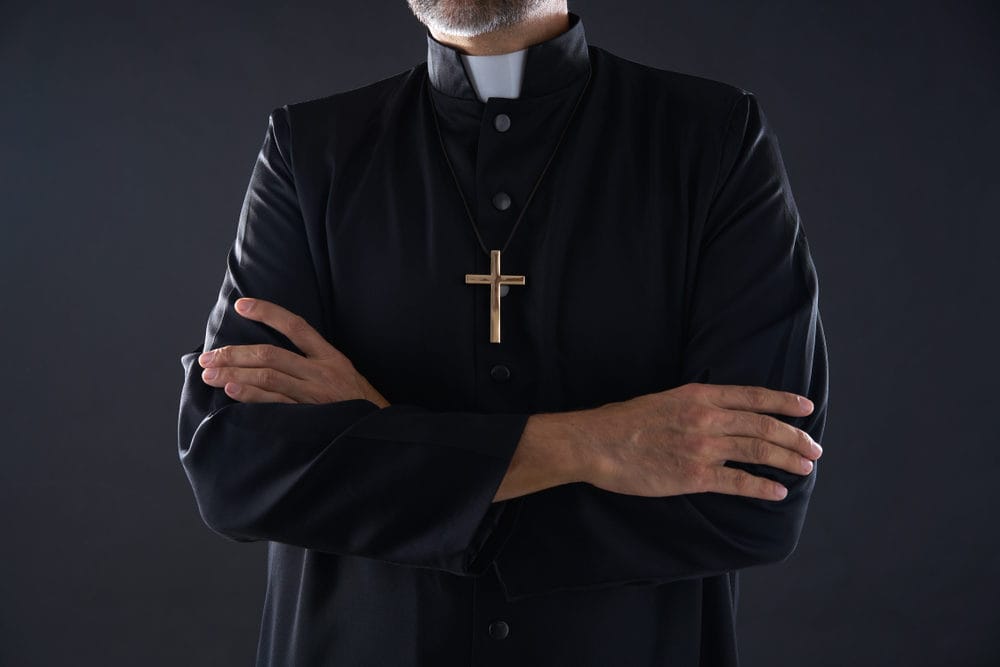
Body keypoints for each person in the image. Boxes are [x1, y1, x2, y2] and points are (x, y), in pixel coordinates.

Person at [176, 1, 828, 664]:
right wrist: (595, 444)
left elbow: (755, 497)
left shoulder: (713, 139)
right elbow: (236, 467)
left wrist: (385, 440)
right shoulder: (309, 150)